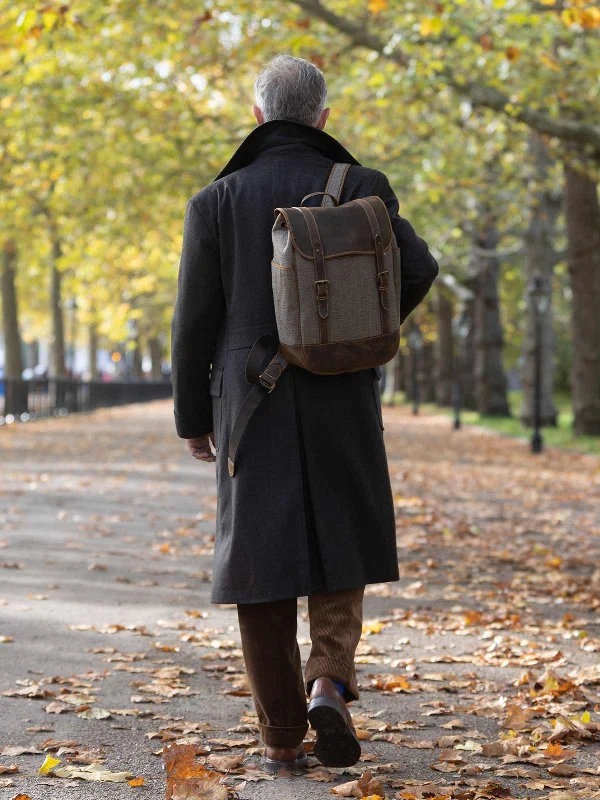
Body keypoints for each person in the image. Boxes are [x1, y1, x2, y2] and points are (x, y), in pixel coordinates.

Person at [170, 54, 439, 772]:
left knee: (257, 565)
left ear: (257, 116)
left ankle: (283, 739)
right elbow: (420, 269)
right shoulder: (361, 188)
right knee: (339, 543)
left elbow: (194, 322)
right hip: (342, 391)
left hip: (250, 400)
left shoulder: (217, 200)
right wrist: (361, 325)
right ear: (324, 118)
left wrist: (193, 417)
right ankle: (329, 680)